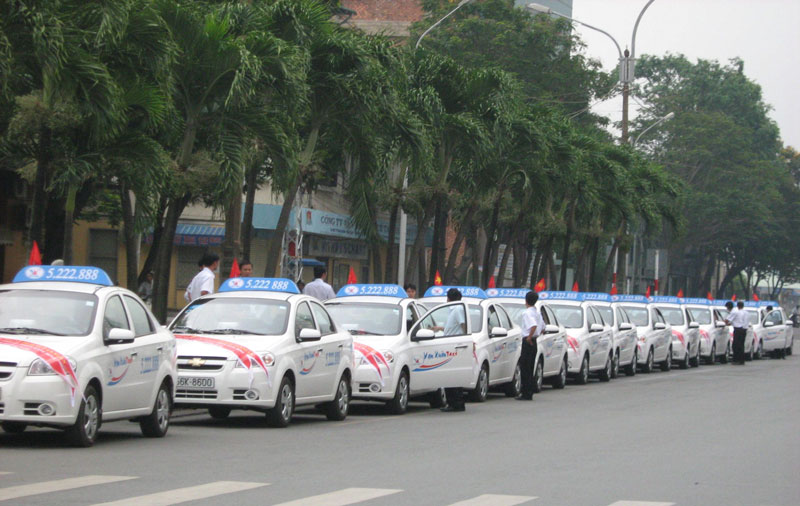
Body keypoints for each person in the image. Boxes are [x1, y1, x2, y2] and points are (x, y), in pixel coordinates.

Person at [440, 288, 467, 412]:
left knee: (451, 375)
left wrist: (466, 339)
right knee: (451, 375)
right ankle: (456, 402)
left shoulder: (457, 309)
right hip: (451, 343)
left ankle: (455, 403)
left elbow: (463, 326)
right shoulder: (456, 309)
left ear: (449, 298)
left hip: (454, 345)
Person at [518, 290, 545, 400]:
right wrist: (535, 337)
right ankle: (529, 390)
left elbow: (533, 326)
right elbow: (543, 327)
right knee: (530, 366)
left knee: (524, 367)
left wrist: (529, 338)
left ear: (526, 300)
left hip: (528, 341)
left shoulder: (527, 313)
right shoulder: (537, 313)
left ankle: (526, 392)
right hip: (535, 341)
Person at [724, 300, 750, 365]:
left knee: (735, 346)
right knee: (741, 345)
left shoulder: (734, 312)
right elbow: (737, 321)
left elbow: (727, 321)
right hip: (743, 329)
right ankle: (741, 360)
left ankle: (736, 360)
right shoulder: (745, 312)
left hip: (738, 330)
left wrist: (724, 322)